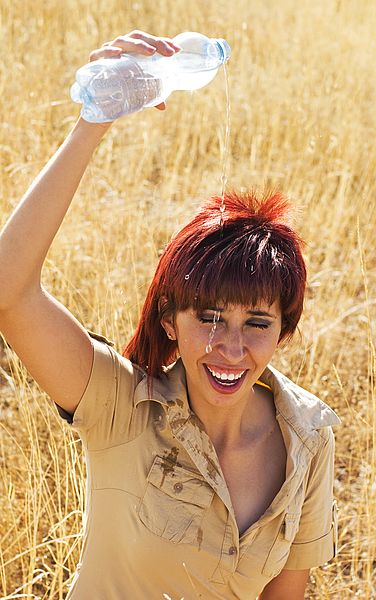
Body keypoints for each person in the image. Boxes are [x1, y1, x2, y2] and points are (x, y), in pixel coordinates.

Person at [0, 31, 340, 600]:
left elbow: (287, 593)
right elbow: (9, 292)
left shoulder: (307, 434)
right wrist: (96, 118)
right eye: (209, 317)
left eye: (257, 323)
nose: (231, 348)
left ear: (284, 330)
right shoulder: (119, 406)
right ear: (168, 320)